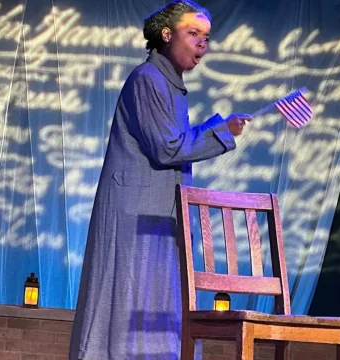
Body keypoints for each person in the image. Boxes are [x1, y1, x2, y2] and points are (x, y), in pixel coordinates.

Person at [69, 1, 251, 359]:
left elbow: (172, 141)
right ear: (166, 35)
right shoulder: (147, 79)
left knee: (156, 297)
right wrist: (222, 133)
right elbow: (167, 149)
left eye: (206, 37)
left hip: (155, 213)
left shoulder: (169, 85)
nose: (202, 44)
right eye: (193, 34)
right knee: (128, 299)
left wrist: (219, 128)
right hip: (134, 215)